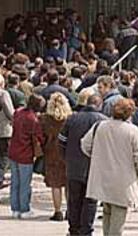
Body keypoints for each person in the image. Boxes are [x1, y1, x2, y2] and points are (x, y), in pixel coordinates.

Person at [81, 98, 138, 236]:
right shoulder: (134, 132)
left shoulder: (100, 126)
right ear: (130, 113)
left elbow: (85, 144)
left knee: (107, 212)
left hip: (102, 176)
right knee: (118, 218)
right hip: (123, 180)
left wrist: (97, 157)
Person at [59, 95, 108, 235]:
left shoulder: (72, 118)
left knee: (74, 200)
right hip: (94, 167)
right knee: (90, 201)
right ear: (100, 105)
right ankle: (86, 230)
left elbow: (61, 141)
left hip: (73, 165)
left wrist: (66, 158)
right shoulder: (103, 121)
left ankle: (73, 229)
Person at [8, 94, 45, 219]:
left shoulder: (18, 113)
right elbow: (39, 137)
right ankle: (24, 209)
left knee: (15, 182)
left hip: (13, 150)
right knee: (25, 183)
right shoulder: (33, 119)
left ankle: (15, 208)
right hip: (26, 153)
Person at [40, 92, 73, 221]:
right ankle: (70, 210)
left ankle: (57, 211)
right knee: (68, 183)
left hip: (51, 152)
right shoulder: (70, 118)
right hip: (67, 152)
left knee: (56, 184)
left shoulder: (45, 119)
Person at [0, 74, 15, 173]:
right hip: (4, 127)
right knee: (4, 153)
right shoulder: (4, 94)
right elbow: (9, 111)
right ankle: (1, 173)